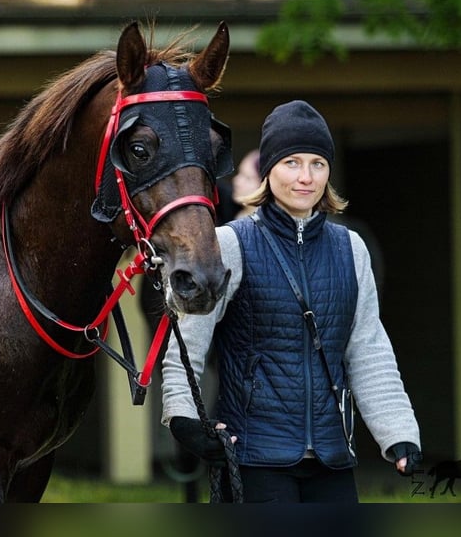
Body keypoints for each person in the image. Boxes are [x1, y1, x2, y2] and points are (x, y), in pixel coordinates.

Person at [161, 99, 422, 503]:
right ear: (269, 170)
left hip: (332, 458)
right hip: (254, 456)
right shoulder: (231, 243)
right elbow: (186, 343)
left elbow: (368, 349)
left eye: (317, 163)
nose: (306, 177)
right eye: (292, 163)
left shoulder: (351, 249)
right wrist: (183, 417)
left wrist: (399, 430)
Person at [231, 149, 262, 218]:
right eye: (239, 173)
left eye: (247, 178)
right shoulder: (240, 216)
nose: (236, 181)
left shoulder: (268, 224)